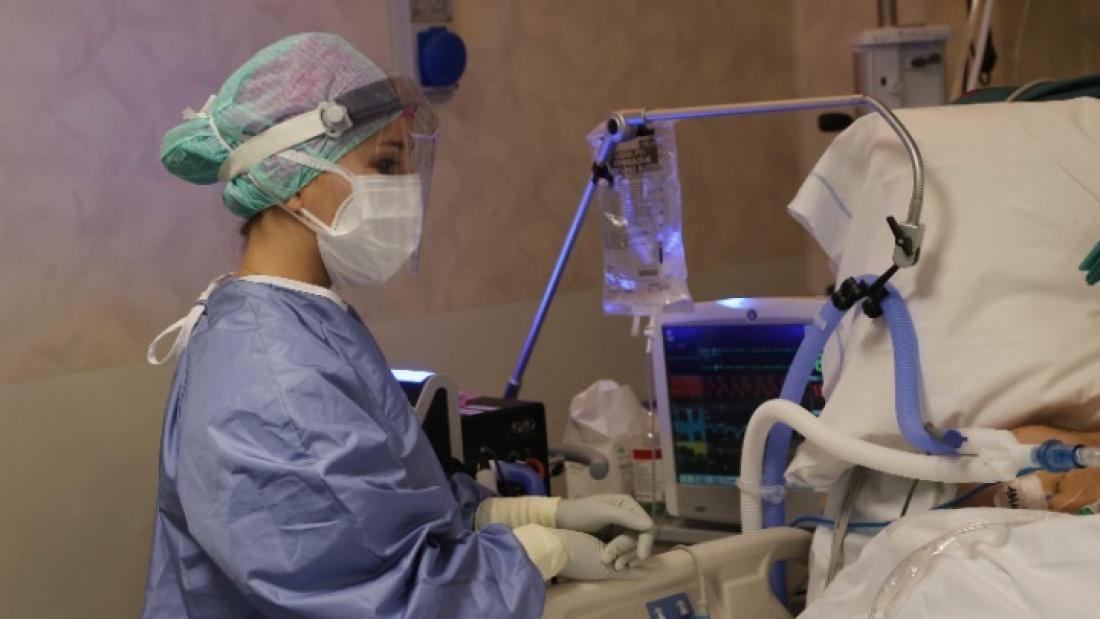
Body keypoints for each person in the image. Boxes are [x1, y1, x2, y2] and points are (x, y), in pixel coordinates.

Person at [141, 33, 654, 618]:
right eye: (385, 164)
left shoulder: (299, 323)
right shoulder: (273, 375)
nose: (405, 189)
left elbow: (380, 509)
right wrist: (540, 552)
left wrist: (524, 513)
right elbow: (384, 600)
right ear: (294, 179)